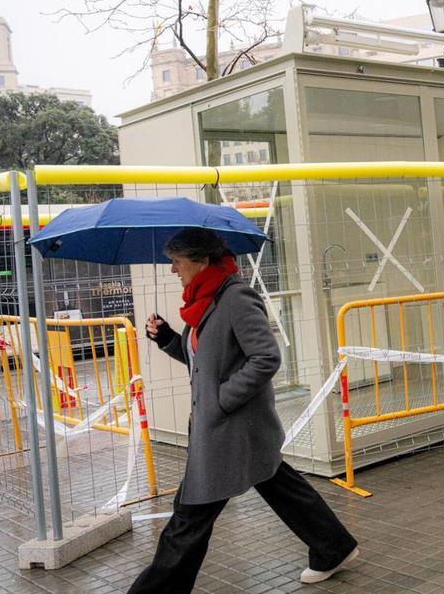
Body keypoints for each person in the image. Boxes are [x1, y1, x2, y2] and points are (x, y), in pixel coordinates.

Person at [130, 228, 358, 593]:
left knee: (190, 517)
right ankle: (334, 546)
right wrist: (170, 339)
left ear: (201, 260)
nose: (173, 270)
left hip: (228, 429)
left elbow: (266, 357)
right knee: (279, 484)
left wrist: (222, 400)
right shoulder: (204, 301)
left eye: (177, 261)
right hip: (229, 429)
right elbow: (206, 361)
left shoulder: (235, 298)